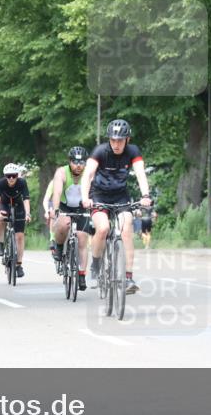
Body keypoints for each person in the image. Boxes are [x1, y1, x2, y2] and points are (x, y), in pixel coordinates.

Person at [80, 119, 153, 294]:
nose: (116, 144)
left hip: (121, 196)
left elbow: (141, 175)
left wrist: (145, 196)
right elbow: (88, 175)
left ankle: (128, 278)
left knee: (126, 229)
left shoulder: (133, 151)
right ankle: (96, 265)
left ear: (127, 139)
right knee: (103, 228)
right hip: (98, 195)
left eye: (120, 140)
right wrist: (85, 197)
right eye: (113, 140)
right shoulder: (100, 151)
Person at [49, 146, 92, 291]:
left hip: (82, 207)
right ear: (69, 162)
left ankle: (81, 275)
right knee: (63, 224)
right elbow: (57, 192)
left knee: (82, 238)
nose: (78, 166)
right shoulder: (62, 172)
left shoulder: (89, 173)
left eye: (82, 162)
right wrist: (55, 210)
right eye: (75, 162)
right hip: (65, 206)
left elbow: (94, 191)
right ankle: (59, 247)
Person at [0, 162, 32, 278]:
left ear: (17, 175)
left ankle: (19, 264)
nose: (11, 178)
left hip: (18, 206)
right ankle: (1, 242)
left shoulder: (22, 182)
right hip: (4, 205)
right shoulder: (0, 183)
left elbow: (26, 199)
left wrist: (28, 214)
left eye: (14, 176)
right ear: (5, 176)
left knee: (19, 236)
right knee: (1, 218)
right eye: (8, 176)